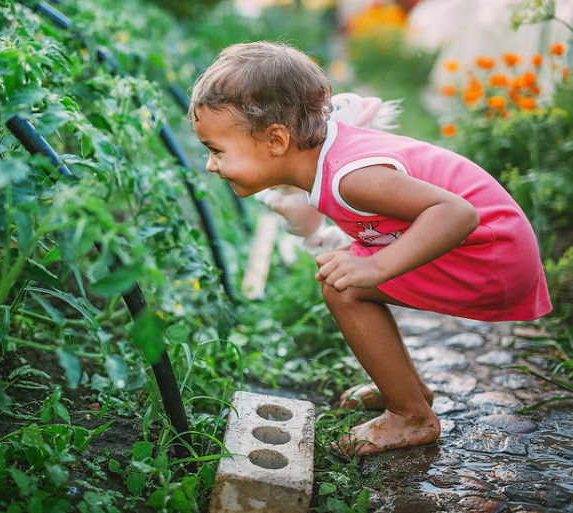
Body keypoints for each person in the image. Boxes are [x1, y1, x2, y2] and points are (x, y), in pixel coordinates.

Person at [188, 41, 552, 456]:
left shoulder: (349, 177)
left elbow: (458, 213)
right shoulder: (326, 158)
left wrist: (376, 268)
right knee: (347, 277)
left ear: (276, 140)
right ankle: (407, 390)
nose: (211, 165)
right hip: (482, 248)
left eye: (216, 150)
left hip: (491, 256)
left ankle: (411, 415)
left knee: (346, 286)